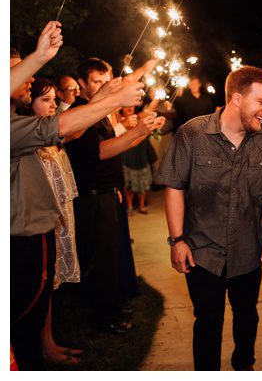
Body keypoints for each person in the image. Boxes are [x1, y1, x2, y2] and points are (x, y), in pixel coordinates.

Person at [10, 20, 144, 370]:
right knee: (23, 317)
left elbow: (71, 125)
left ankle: (43, 349)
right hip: (23, 232)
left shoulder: (14, 117)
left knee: (36, 308)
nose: (26, 76)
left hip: (40, 226)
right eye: (15, 69)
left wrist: (107, 98)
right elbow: (67, 127)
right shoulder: (9, 125)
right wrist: (114, 100)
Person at [156, 66, 262, 371]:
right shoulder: (192, 134)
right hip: (202, 249)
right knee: (208, 321)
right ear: (237, 99)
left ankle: (244, 366)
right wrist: (177, 240)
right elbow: (174, 186)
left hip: (247, 250)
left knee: (247, 316)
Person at [65, 56, 164, 335]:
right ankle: (104, 317)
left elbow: (115, 149)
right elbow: (101, 152)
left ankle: (112, 307)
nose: (103, 86)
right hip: (91, 197)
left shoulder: (100, 112)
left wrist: (142, 132)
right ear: (82, 84)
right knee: (100, 261)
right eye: (96, 81)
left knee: (111, 257)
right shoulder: (81, 112)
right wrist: (136, 131)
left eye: (105, 80)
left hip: (107, 193)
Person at [15, 77, 85, 366]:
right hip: (34, 224)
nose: (53, 103)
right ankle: (37, 351)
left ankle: (49, 342)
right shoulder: (26, 136)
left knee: (47, 289)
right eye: (46, 99)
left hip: (56, 218)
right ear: (30, 106)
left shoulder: (46, 133)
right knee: (38, 289)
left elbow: (75, 128)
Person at [118, 104, 158, 215]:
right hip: (127, 153)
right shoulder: (119, 121)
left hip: (141, 152)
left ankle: (142, 205)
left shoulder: (139, 118)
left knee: (143, 181)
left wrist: (156, 96)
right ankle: (129, 206)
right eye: (126, 106)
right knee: (128, 183)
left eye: (131, 106)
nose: (129, 108)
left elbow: (150, 109)